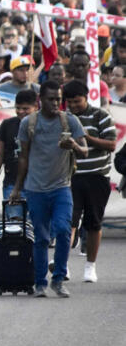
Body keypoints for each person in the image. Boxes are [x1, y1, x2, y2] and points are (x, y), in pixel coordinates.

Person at [9, 80, 88, 297]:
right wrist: (17, 188)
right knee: (42, 237)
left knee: (63, 230)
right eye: (51, 99)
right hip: (35, 189)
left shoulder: (69, 121)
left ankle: (59, 278)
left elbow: (85, 150)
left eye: (58, 99)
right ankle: (40, 282)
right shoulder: (28, 123)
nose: (55, 103)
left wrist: (73, 145)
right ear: (40, 100)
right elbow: (23, 157)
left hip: (62, 187)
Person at [63, 80, 116, 283]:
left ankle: (90, 266)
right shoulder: (65, 118)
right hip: (70, 177)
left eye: (77, 102)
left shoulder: (100, 115)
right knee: (68, 222)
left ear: (86, 97)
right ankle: (63, 264)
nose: (74, 106)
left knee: (94, 223)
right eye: (70, 103)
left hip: (97, 176)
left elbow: (111, 144)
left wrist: (85, 138)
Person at [0, 89, 38, 203]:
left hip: (37, 186)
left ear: (36, 107)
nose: (20, 112)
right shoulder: (7, 124)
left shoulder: (42, 126)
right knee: (14, 220)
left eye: (25, 109)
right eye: (18, 108)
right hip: (11, 183)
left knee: (36, 220)